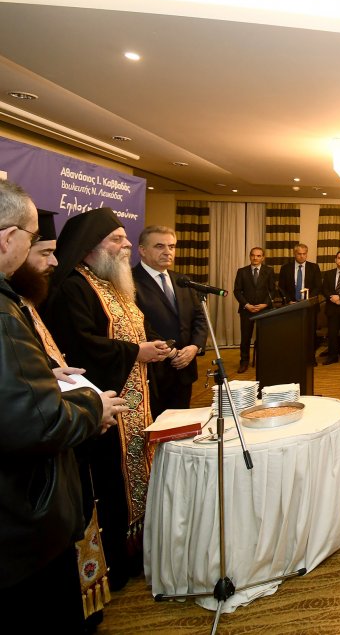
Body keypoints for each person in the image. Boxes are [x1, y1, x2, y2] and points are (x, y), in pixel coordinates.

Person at [0, 181, 126, 630]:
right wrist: (94, 408)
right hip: (23, 508)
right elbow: (35, 422)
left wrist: (41, 375)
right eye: (36, 243)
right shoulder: (6, 311)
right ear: (8, 239)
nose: (49, 261)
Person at [43, 208, 171, 590]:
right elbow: (82, 345)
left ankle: (138, 551)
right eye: (117, 239)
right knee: (110, 486)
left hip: (137, 402)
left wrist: (154, 347)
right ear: (89, 248)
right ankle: (115, 560)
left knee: (139, 473)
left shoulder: (115, 285)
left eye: (125, 238)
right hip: (103, 410)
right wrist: (135, 353)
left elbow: (136, 331)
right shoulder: (74, 287)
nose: (126, 245)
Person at [133, 225, 208, 417]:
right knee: (157, 425)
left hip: (185, 369)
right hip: (153, 371)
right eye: (160, 246)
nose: (168, 252)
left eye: (172, 246)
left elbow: (199, 318)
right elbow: (137, 324)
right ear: (142, 250)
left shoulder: (183, 280)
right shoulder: (129, 281)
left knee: (181, 422)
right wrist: (171, 352)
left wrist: (194, 347)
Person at [232, 247, 278, 373]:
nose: (255, 258)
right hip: (247, 310)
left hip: (264, 309)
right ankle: (244, 362)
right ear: (249, 256)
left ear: (263, 257)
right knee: (245, 338)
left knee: (265, 338)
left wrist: (265, 304)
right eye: (253, 255)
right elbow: (237, 291)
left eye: (258, 256)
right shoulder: (242, 271)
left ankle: (264, 361)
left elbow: (272, 290)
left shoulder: (269, 271)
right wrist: (246, 304)